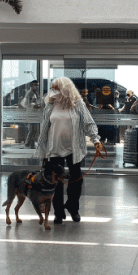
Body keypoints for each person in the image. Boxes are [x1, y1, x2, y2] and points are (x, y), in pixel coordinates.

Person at [34, 77, 103, 224]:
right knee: (56, 182)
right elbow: (45, 127)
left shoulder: (77, 104)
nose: (53, 91)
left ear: (65, 88)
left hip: (74, 148)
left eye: (56, 88)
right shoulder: (50, 105)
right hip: (54, 149)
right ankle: (58, 212)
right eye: (52, 88)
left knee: (75, 180)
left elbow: (89, 123)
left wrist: (95, 139)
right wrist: (42, 147)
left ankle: (73, 208)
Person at [21, 80, 42, 149]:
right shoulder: (29, 93)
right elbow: (25, 104)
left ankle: (31, 145)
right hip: (30, 114)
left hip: (34, 114)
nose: (37, 86)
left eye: (37, 85)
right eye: (36, 85)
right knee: (32, 130)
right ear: (32, 85)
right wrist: (34, 106)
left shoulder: (35, 93)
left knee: (34, 130)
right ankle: (27, 144)